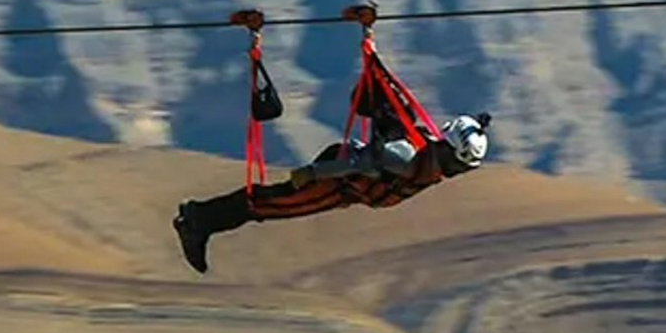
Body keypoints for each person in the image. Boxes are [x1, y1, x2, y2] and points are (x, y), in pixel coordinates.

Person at [172, 110, 491, 274]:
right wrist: (313, 174)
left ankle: (199, 217)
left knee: (268, 202)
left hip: (344, 181)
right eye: (458, 164)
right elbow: (358, 164)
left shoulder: (425, 156)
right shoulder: (411, 161)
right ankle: (196, 221)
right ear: (449, 151)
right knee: (265, 205)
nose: (456, 172)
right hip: (337, 182)